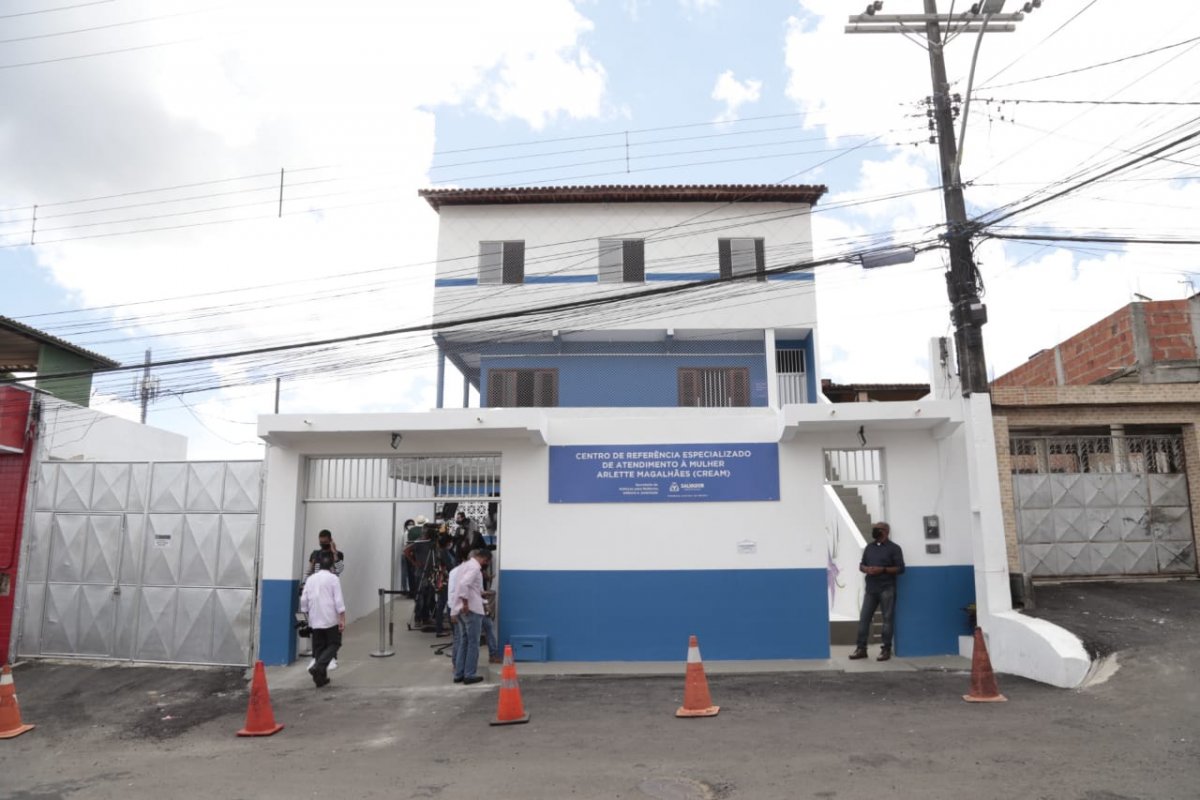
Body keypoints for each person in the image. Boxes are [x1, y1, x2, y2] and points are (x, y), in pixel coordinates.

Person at [850, 521, 905, 662]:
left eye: (877, 529)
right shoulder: (869, 547)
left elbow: (900, 569)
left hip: (887, 588)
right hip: (871, 589)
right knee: (864, 619)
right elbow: (861, 564)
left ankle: (886, 650)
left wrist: (883, 569)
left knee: (887, 619)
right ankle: (861, 649)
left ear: (885, 531)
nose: (874, 531)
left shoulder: (894, 548)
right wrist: (866, 569)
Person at [300, 550, 346, 687]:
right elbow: (338, 601)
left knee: (319, 647)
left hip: (315, 619)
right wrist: (342, 619)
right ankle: (319, 667)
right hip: (330, 618)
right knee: (335, 643)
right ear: (331, 564)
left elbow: (304, 600)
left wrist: (305, 615)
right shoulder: (333, 579)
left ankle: (320, 679)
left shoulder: (310, 579)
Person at [449, 548, 490, 685]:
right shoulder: (475, 568)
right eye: (486, 561)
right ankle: (470, 674)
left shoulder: (464, 566)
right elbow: (464, 585)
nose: (485, 564)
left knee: (464, 642)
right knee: (473, 643)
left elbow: (460, 587)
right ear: (484, 558)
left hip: (461, 609)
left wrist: (454, 610)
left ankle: (459, 674)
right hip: (471, 609)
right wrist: (466, 603)